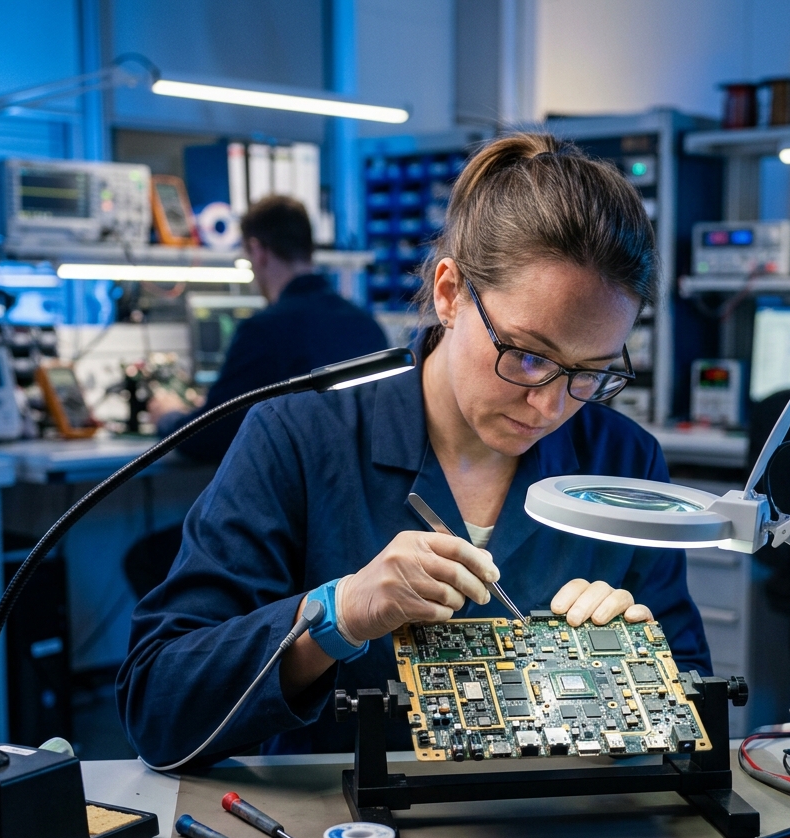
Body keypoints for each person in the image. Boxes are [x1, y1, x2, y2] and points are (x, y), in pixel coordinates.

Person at [118, 133, 711, 764]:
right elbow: (160, 707)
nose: (552, 406)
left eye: (591, 371)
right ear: (449, 293)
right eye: (530, 356)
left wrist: (641, 679)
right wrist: (335, 616)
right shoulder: (296, 440)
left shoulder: (623, 460)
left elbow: (699, 710)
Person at [149, 194, 387, 463]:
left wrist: (168, 416)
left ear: (258, 251)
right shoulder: (366, 325)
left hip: (303, 500)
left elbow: (208, 439)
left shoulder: (264, 331)